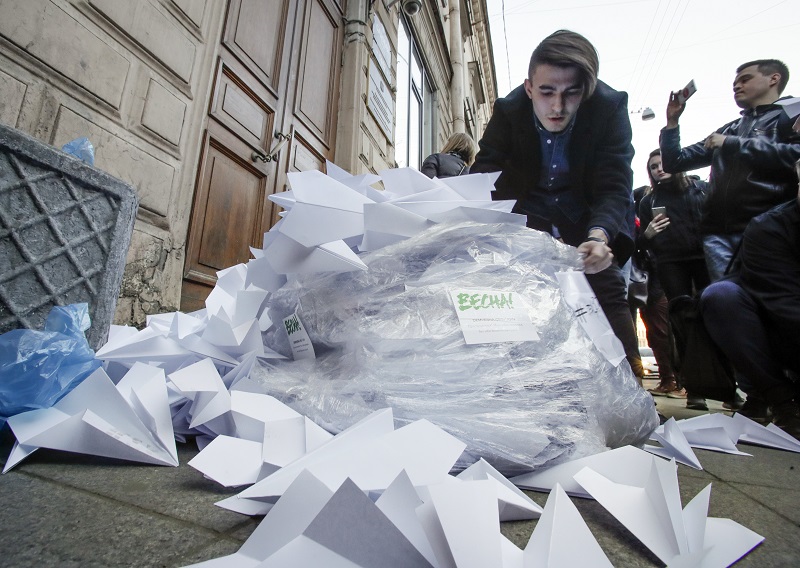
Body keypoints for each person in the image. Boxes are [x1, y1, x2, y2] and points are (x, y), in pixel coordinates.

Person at [472, 30, 643, 381]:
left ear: (588, 90)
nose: (557, 107)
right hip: (528, 211)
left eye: (571, 93)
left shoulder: (610, 109)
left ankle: (629, 384)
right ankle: (525, 383)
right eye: (547, 91)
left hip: (583, 212)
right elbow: (486, 173)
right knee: (521, 294)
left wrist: (599, 235)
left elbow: (614, 183)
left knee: (604, 287)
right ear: (529, 87)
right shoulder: (509, 110)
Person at [660, 59, 800, 282]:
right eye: (734, 82)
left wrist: (733, 144)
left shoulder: (792, 113)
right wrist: (672, 122)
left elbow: (796, 154)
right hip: (718, 235)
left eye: (745, 79)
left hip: (770, 228)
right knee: (727, 301)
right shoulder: (731, 128)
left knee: (772, 299)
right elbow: (675, 162)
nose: (736, 86)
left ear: (774, 79)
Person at [699, 158, 800, 437]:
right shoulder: (769, 228)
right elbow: (784, 305)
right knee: (721, 296)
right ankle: (781, 398)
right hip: (782, 330)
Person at [638, 149, 709, 408]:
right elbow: (641, 245)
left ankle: (724, 386)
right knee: (682, 326)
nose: (659, 169)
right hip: (670, 266)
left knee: (712, 321)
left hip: (703, 261)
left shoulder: (700, 190)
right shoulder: (648, 202)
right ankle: (694, 389)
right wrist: (647, 235)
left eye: (663, 163)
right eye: (654, 166)